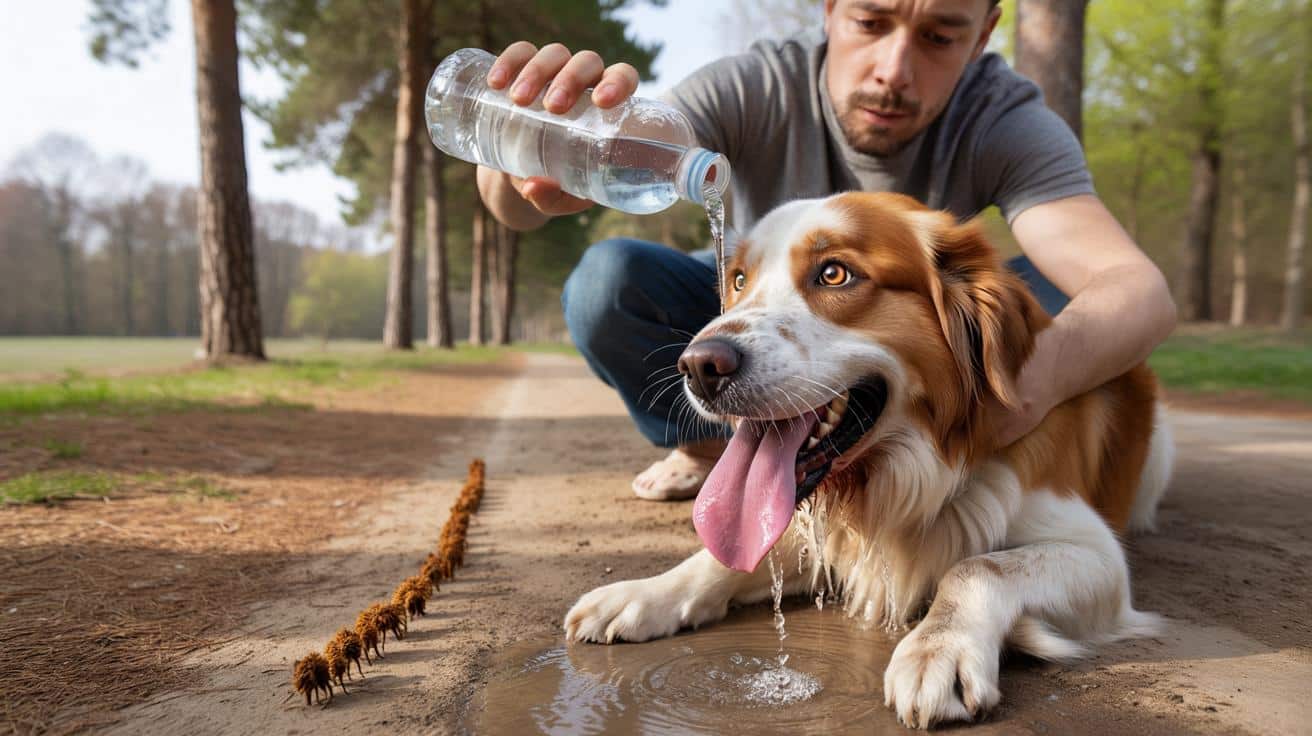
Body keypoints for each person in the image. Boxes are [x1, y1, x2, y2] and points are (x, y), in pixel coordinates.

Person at [475, 0, 1177, 500]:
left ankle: (964, 471)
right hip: (752, 313)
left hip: (895, 334)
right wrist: (524, 163)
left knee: (1042, 304)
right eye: (871, 22)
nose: (894, 70)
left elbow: (1136, 289)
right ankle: (723, 454)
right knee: (607, 280)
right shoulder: (752, 84)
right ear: (830, 9)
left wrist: (1022, 390)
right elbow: (611, 159)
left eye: (939, 36)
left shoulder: (1005, 118)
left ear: (986, 30)